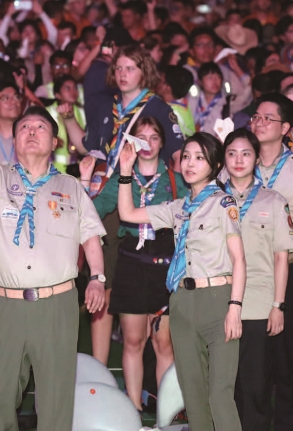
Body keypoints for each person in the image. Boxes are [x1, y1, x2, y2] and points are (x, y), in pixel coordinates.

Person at [0, 66, 107, 430]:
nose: (31, 132)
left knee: (56, 400)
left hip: (56, 305)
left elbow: (90, 235)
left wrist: (98, 278)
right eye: (24, 128)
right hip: (6, 305)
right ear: (13, 138)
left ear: (55, 142)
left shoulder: (71, 186)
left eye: (40, 127)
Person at [118, 133, 245, 430]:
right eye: (186, 156)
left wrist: (235, 307)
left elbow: (239, 259)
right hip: (182, 301)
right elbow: (127, 213)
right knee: (193, 392)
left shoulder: (222, 202)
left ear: (214, 165)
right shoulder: (178, 207)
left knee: (220, 394)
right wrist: (125, 173)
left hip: (217, 298)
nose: (190, 163)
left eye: (199, 157)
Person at [80, 116, 187, 412]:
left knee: (164, 343)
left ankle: (167, 408)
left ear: (162, 143)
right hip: (130, 263)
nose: (148, 144)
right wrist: (86, 181)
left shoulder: (175, 181)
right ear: (131, 143)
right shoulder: (119, 178)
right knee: (132, 340)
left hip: (164, 264)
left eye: (154, 137)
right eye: (142, 137)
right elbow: (93, 210)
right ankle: (132, 407)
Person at [220, 129, 291, 431]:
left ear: (257, 158)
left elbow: (280, 257)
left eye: (246, 153)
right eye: (232, 153)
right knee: (223, 387)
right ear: (223, 159)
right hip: (218, 304)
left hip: (258, 306)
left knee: (255, 387)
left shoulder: (273, 201)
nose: (239, 160)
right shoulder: (212, 198)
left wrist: (278, 305)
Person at [245, 93, 293, 431]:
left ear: (286, 128)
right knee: (251, 362)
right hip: (247, 275)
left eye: (268, 118)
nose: (259, 123)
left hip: (288, 268)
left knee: (287, 361)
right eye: (255, 117)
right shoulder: (239, 164)